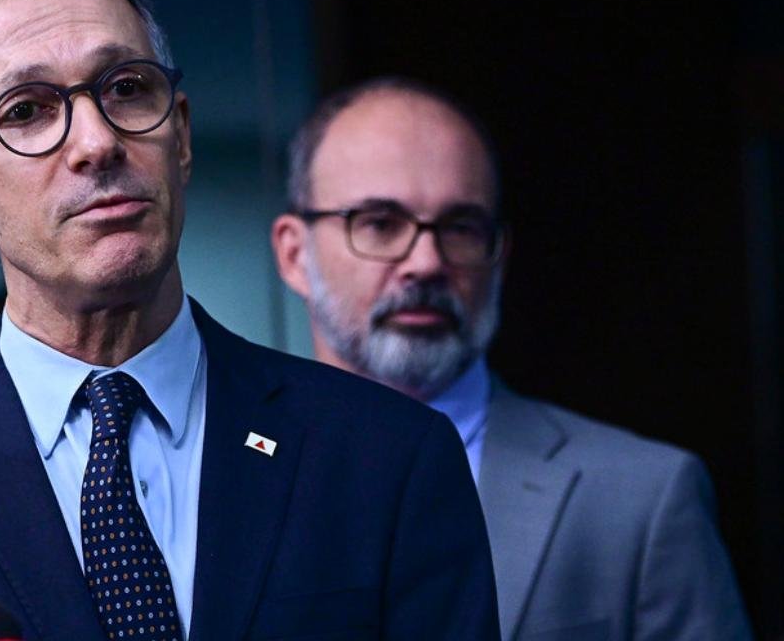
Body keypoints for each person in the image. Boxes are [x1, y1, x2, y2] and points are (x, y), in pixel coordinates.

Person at [0, 0, 499, 640]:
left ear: (181, 136)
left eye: (126, 88)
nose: (96, 142)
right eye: (27, 110)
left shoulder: (386, 457)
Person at [270, 77, 753, 641]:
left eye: (461, 227)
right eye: (379, 223)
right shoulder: (216, 474)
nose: (427, 262)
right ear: (294, 254)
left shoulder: (643, 499)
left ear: (499, 257)